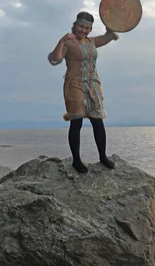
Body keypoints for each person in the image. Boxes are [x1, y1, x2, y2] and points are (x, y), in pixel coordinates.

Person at [48, 11, 119, 173]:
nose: (84, 30)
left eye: (88, 28)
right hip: (75, 85)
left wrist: (112, 27)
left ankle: (103, 156)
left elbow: (109, 37)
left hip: (93, 86)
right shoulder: (68, 42)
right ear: (75, 25)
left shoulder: (91, 41)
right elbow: (54, 59)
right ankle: (76, 160)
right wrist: (61, 41)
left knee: (97, 121)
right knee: (77, 121)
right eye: (81, 26)